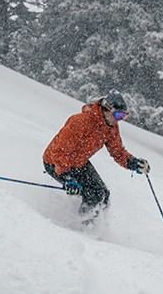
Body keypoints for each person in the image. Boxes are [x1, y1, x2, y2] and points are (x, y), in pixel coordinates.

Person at [43, 88, 150, 219]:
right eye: (118, 115)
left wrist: (132, 162)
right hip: (55, 162)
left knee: (103, 194)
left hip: (78, 163)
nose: (119, 120)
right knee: (93, 195)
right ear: (107, 108)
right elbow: (59, 151)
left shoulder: (111, 127)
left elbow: (117, 151)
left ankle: (96, 227)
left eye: (123, 116)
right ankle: (80, 227)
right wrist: (67, 178)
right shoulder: (80, 122)